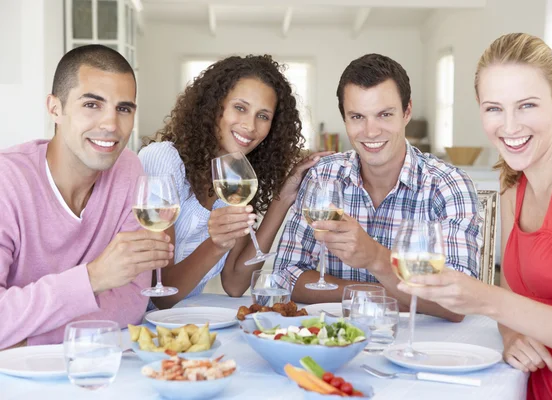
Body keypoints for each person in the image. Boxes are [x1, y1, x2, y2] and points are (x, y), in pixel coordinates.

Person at [396, 33, 552, 399]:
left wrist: (485, 300)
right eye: (494, 108)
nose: (509, 126)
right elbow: (512, 293)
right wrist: (511, 334)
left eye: (526, 105)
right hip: (530, 388)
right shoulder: (512, 183)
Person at [273, 53, 481, 322]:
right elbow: (286, 275)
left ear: (406, 112)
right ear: (345, 119)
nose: (370, 132)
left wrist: (375, 257)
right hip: (337, 342)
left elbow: (458, 302)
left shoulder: (448, 186)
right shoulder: (324, 177)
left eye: (384, 114)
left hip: (422, 345)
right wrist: (374, 293)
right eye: (357, 116)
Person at [0, 45, 173, 349]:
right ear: (55, 108)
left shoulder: (128, 169)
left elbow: (131, 302)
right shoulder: (7, 182)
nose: (111, 125)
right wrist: (92, 279)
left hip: (89, 365)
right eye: (92, 105)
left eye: (123, 108)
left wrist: (23, 336)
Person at [139, 55, 331, 309]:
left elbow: (235, 283)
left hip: (183, 323)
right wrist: (217, 244)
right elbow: (161, 295)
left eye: (263, 116)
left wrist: (282, 198)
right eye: (240, 108)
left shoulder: (238, 178)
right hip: (137, 325)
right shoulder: (163, 160)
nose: (250, 126)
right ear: (214, 106)